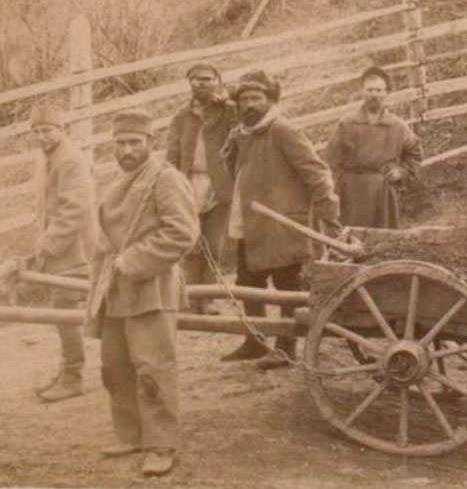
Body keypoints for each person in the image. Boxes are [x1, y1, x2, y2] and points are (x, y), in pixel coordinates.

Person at [83, 109, 198, 477]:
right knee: (116, 366)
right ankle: (131, 434)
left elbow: (182, 233)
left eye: (135, 142)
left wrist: (132, 260)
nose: (127, 149)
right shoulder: (118, 181)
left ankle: (161, 444)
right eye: (121, 143)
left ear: (151, 143)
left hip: (150, 287)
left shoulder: (165, 179)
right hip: (114, 289)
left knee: (153, 368)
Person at [220, 69, 340, 370]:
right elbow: (237, 173)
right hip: (250, 221)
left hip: (282, 224)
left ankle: (286, 347)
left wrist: (329, 214)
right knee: (248, 281)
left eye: (256, 98)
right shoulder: (244, 133)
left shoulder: (282, 129)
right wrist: (231, 150)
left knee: (288, 286)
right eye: (243, 99)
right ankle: (254, 341)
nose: (249, 105)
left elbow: (317, 173)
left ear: (270, 99)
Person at [28, 104, 96, 402]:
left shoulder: (70, 159)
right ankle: (68, 369)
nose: (42, 136)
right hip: (60, 244)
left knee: (63, 306)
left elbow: (74, 208)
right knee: (62, 308)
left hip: (75, 246)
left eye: (48, 130)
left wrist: (47, 244)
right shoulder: (47, 158)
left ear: (61, 129)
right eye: (37, 131)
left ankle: (73, 375)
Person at [165, 63, 238, 315]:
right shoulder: (181, 117)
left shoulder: (229, 112)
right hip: (188, 184)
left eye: (207, 79)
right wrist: (173, 183)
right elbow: (172, 154)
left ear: (218, 81)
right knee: (189, 243)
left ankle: (208, 299)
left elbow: (241, 132)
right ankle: (186, 297)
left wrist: (228, 100)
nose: (201, 84)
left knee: (213, 244)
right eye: (195, 80)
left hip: (218, 184)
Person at [326, 66, 422, 229]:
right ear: (362, 92)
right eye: (370, 90)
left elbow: (415, 154)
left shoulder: (397, 126)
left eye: (379, 90)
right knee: (349, 240)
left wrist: (401, 172)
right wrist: (340, 184)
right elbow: (332, 159)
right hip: (351, 194)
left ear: (386, 93)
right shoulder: (347, 123)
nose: (374, 95)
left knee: (382, 242)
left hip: (382, 193)